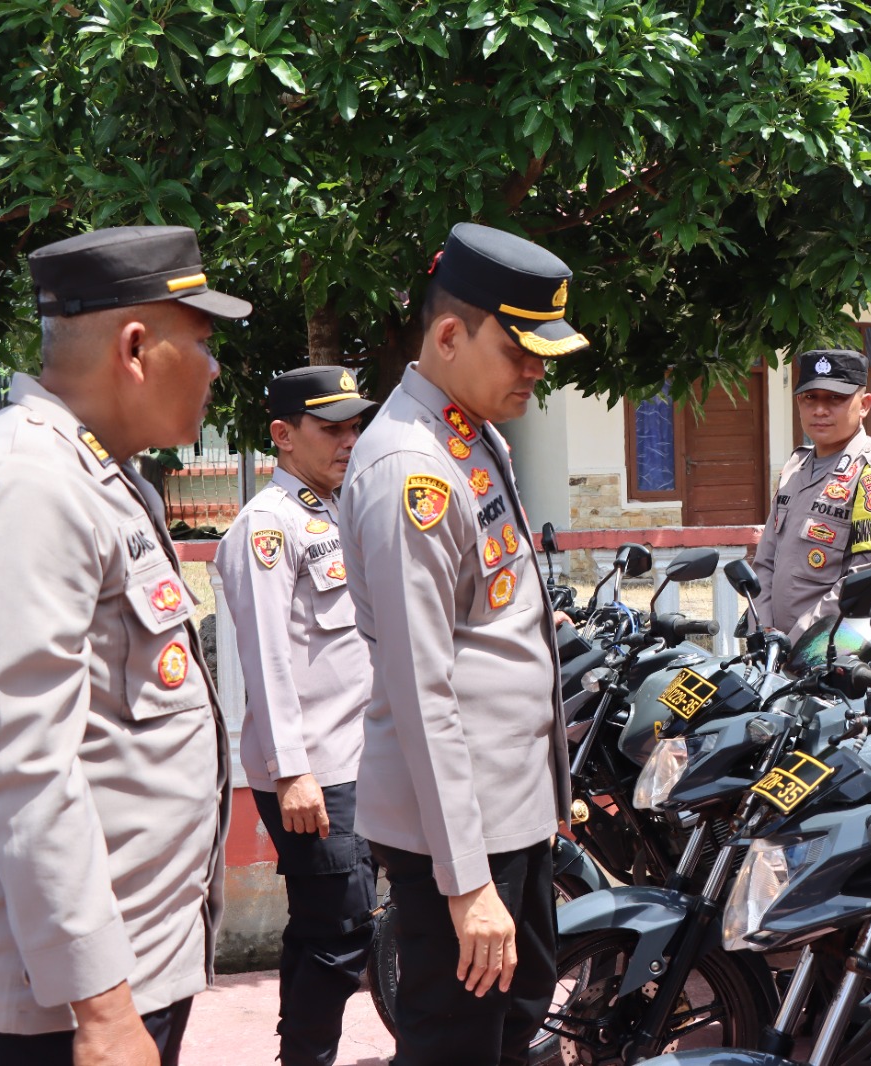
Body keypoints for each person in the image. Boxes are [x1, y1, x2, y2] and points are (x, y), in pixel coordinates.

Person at [0, 226, 247, 1065]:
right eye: (200, 341)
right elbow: (26, 765)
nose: (216, 366)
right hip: (43, 1011)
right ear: (135, 347)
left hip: (106, 981)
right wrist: (101, 1008)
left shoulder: (94, 476)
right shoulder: (26, 486)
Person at [340, 222, 579, 1066]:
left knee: (512, 1029)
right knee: (456, 1046)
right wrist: (467, 882)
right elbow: (422, 690)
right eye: (522, 350)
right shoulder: (413, 470)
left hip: (503, 818)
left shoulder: (467, 435)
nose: (537, 370)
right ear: (450, 335)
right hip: (461, 837)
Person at [215, 365, 377, 1066]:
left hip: (364, 758)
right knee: (340, 934)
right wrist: (292, 772)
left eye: (354, 426)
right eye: (331, 428)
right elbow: (267, 660)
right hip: (317, 771)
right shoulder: (268, 528)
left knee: (327, 927)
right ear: (283, 436)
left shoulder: (341, 510)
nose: (349, 441)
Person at [750, 349, 871, 637]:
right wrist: (762, 628)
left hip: (836, 650)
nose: (820, 410)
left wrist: (800, 638)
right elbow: (765, 560)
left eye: (835, 399)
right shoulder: (795, 467)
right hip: (773, 646)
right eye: (810, 398)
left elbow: (868, 579)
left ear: (864, 405)